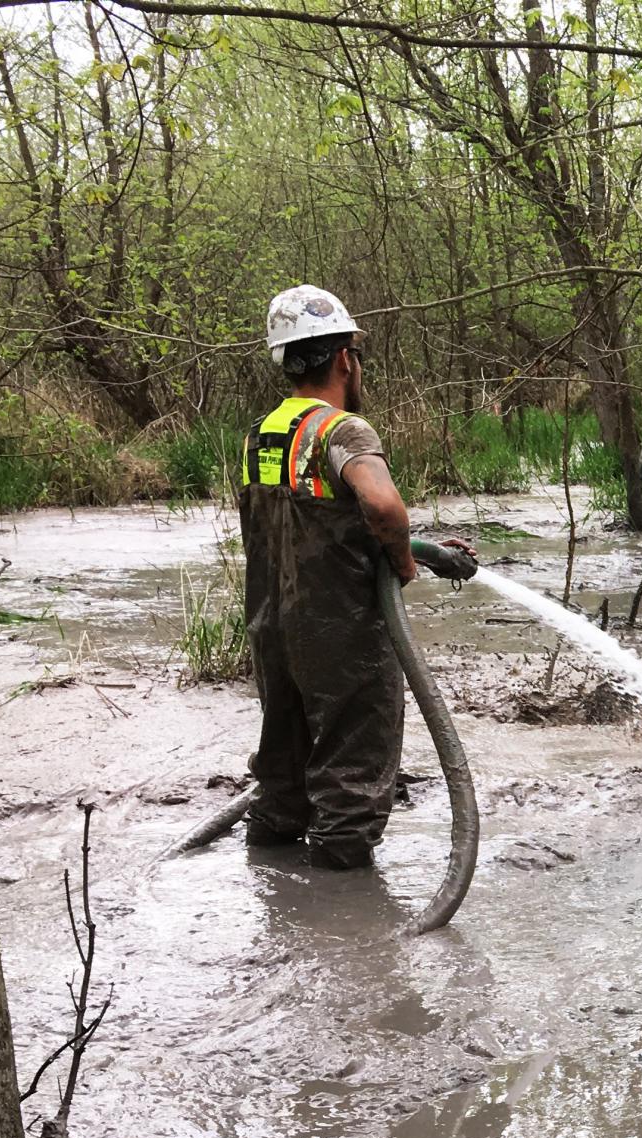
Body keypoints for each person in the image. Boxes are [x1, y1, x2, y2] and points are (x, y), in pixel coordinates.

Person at [238, 285, 473, 869]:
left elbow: (311, 521)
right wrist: (405, 561)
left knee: (284, 759)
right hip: (340, 629)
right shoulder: (343, 431)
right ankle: (347, 914)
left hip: (273, 626)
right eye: (357, 356)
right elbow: (382, 506)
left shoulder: (262, 433)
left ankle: (275, 874)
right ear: (344, 357)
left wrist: (426, 549)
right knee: (353, 764)